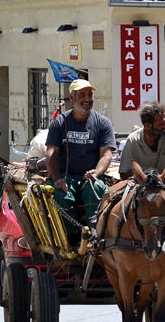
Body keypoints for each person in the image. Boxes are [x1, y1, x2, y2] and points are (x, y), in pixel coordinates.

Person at [45, 79, 116, 238]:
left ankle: (95, 233)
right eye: (82, 95)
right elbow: (51, 154)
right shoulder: (59, 123)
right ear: (72, 98)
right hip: (66, 175)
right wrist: (57, 178)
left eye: (90, 95)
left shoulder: (103, 123)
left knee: (96, 188)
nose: (87, 99)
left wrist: (96, 173)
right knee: (56, 192)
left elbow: (106, 154)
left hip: (89, 175)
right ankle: (74, 233)